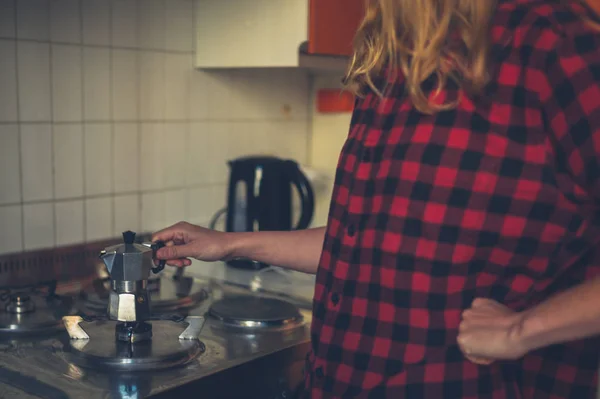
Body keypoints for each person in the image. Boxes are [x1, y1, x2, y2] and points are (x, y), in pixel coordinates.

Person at [153, 0, 600, 397]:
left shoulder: (549, 38)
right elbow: (363, 246)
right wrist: (228, 243)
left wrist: (521, 330)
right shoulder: (387, 66)